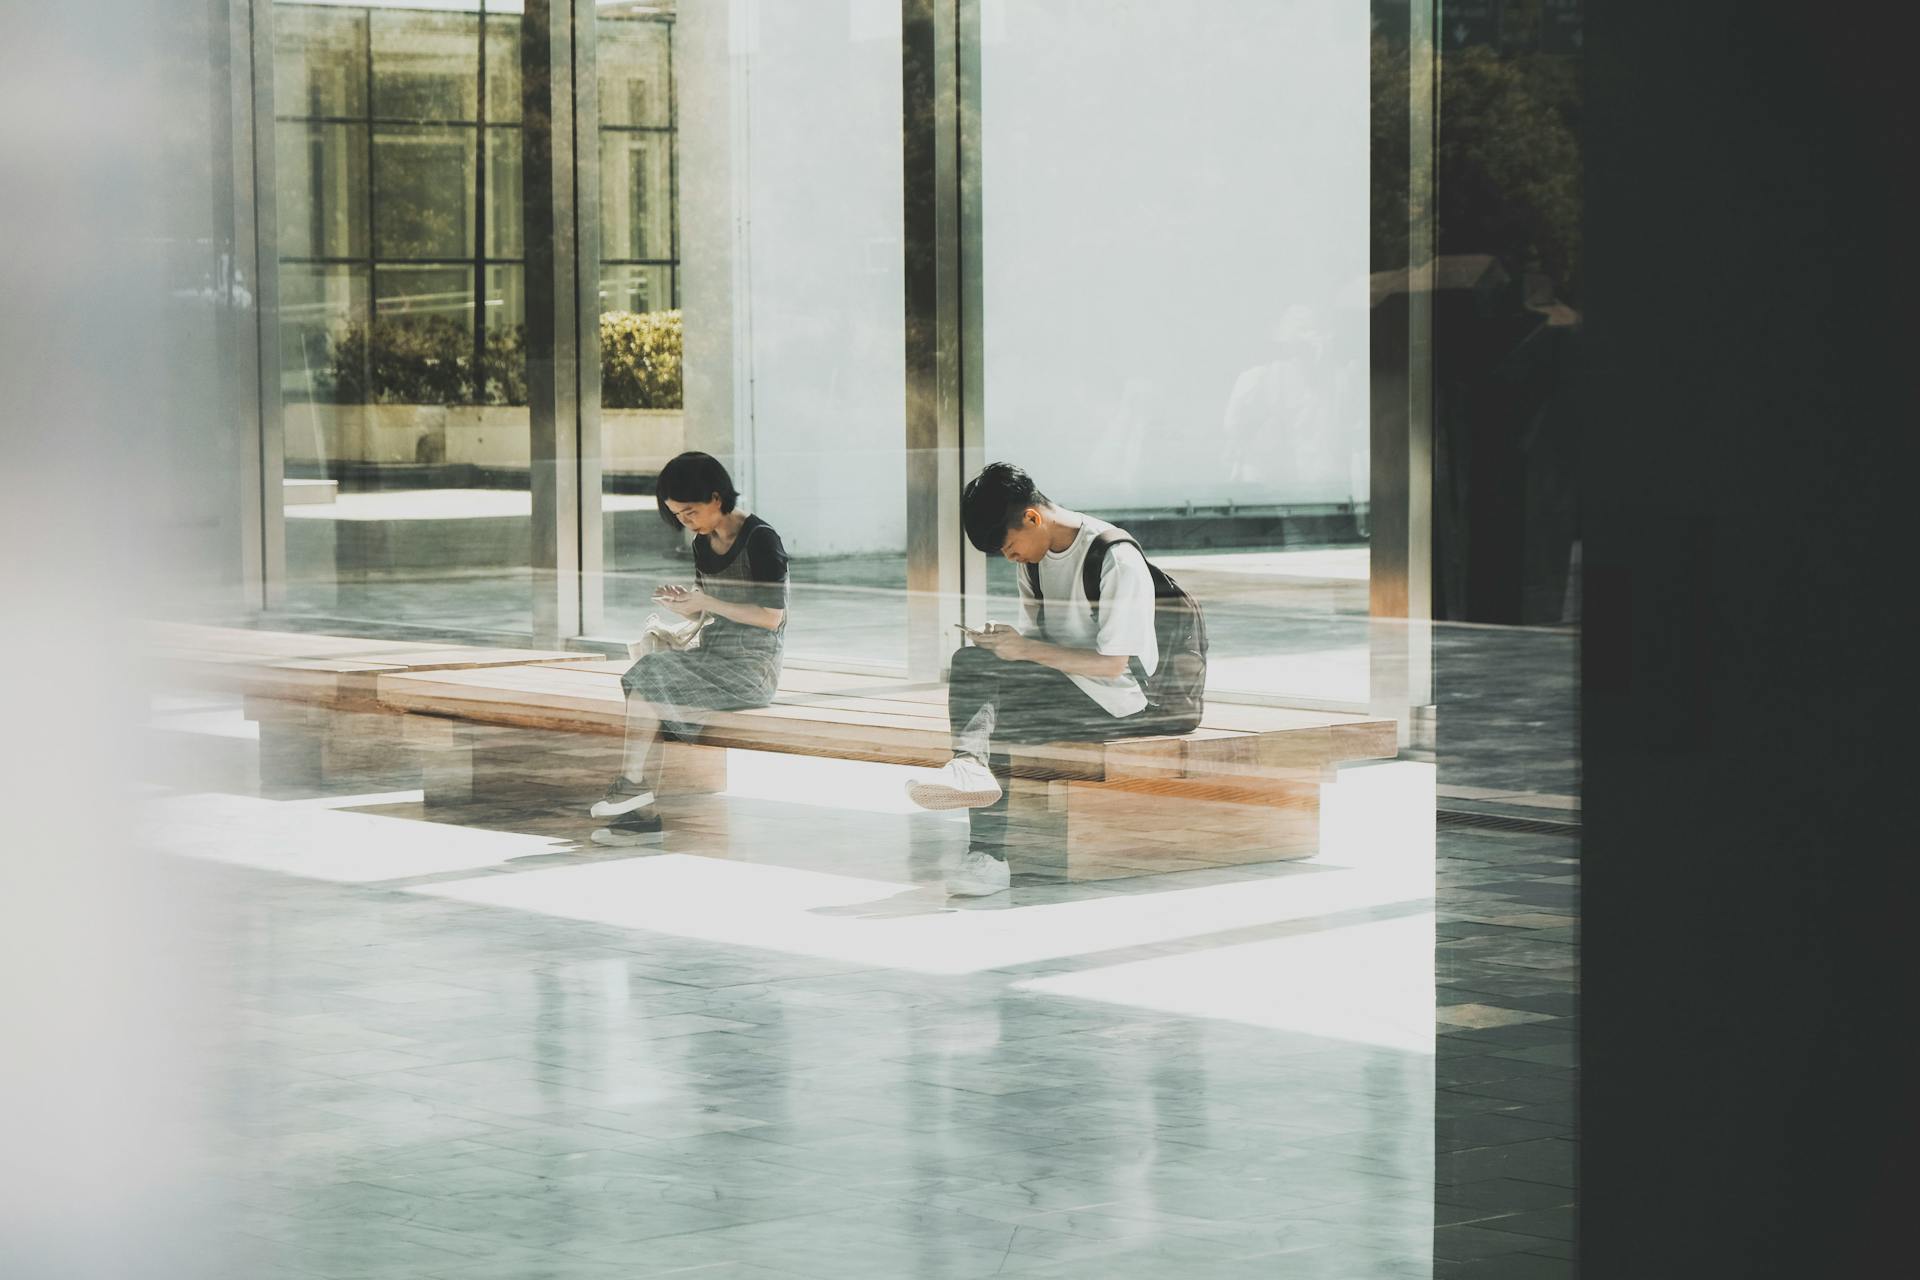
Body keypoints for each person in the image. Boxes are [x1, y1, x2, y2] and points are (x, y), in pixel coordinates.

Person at [905, 463, 1163, 896]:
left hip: (1124, 704)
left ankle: (986, 850)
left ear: (1032, 517)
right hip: (1071, 688)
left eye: (1009, 548)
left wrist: (1023, 651)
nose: (1011, 559)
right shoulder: (1036, 561)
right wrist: (1008, 642)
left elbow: (1114, 666)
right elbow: (1040, 643)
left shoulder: (1114, 556)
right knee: (972, 662)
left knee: (1003, 711)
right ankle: (971, 771)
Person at [590, 452, 788, 844]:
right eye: (677, 515)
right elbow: (710, 612)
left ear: (717, 497)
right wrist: (685, 605)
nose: (686, 522)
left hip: (751, 670)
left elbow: (771, 616)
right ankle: (637, 811)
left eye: (690, 512)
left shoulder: (761, 539)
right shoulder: (703, 542)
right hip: (713, 657)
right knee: (652, 685)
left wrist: (706, 602)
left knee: (650, 679)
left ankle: (635, 798)